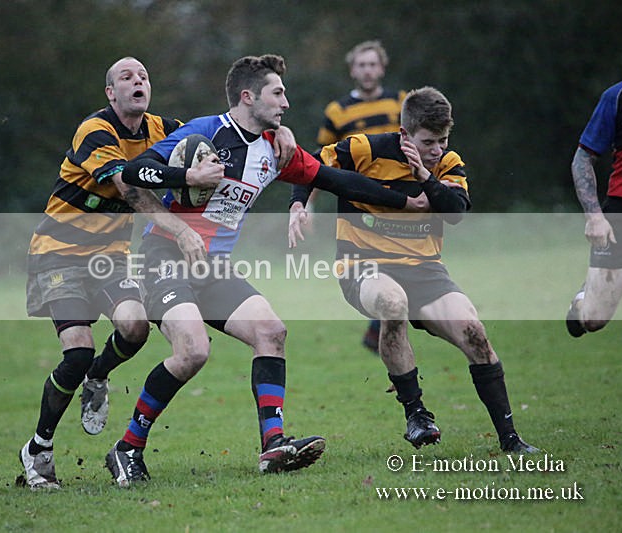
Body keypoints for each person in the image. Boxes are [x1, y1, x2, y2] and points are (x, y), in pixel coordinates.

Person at [108, 54, 428, 487]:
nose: (286, 103)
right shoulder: (206, 130)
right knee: (193, 351)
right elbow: (133, 171)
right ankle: (127, 447)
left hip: (213, 267)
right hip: (162, 258)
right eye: (278, 93)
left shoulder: (274, 149)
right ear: (248, 97)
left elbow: (337, 179)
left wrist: (405, 202)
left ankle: (274, 444)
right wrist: (187, 177)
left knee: (271, 332)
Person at [289, 86, 538, 454]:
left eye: (443, 140)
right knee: (392, 302)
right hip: (363, 265)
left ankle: (511, 440)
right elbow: (307, 166)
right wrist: (299, 206)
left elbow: (455, 213)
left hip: (425, 270)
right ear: (405, 135)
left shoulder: (446, 163)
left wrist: (425, 174)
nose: (437, 149)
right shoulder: (364, 149)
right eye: (427, 142)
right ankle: (416, 413)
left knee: (475, 334)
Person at [18, 56, 216, 490]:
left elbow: (216, 136)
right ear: (111, 92)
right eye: (126, 77)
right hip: (59, 253)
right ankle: (39, 448)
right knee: (76, 352)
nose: (137, 81)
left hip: (109, 253)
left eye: (144, 75)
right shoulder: (95, 131)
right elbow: (130, 188)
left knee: (134, 327)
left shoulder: (165, 128)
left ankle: (99, 376)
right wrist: (182, 213)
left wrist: (274, 135)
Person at [317, 40, 407, 353]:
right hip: (359, 201)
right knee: (372, 265)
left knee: (409, 263)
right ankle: (378, 323)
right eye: (361, 65)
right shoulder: (337, 112)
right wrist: (308, 202)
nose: (367, 70)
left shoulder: (401, 102)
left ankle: (377, 328)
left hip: (400, 199)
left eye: (373, 64)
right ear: (353, 70)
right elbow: (321, 160)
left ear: (382, 68)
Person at [565, 78, 622, 338]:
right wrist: (595, 218)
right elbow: (582, 159)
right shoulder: (618, 96)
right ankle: (583, 299)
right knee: (593, 319)